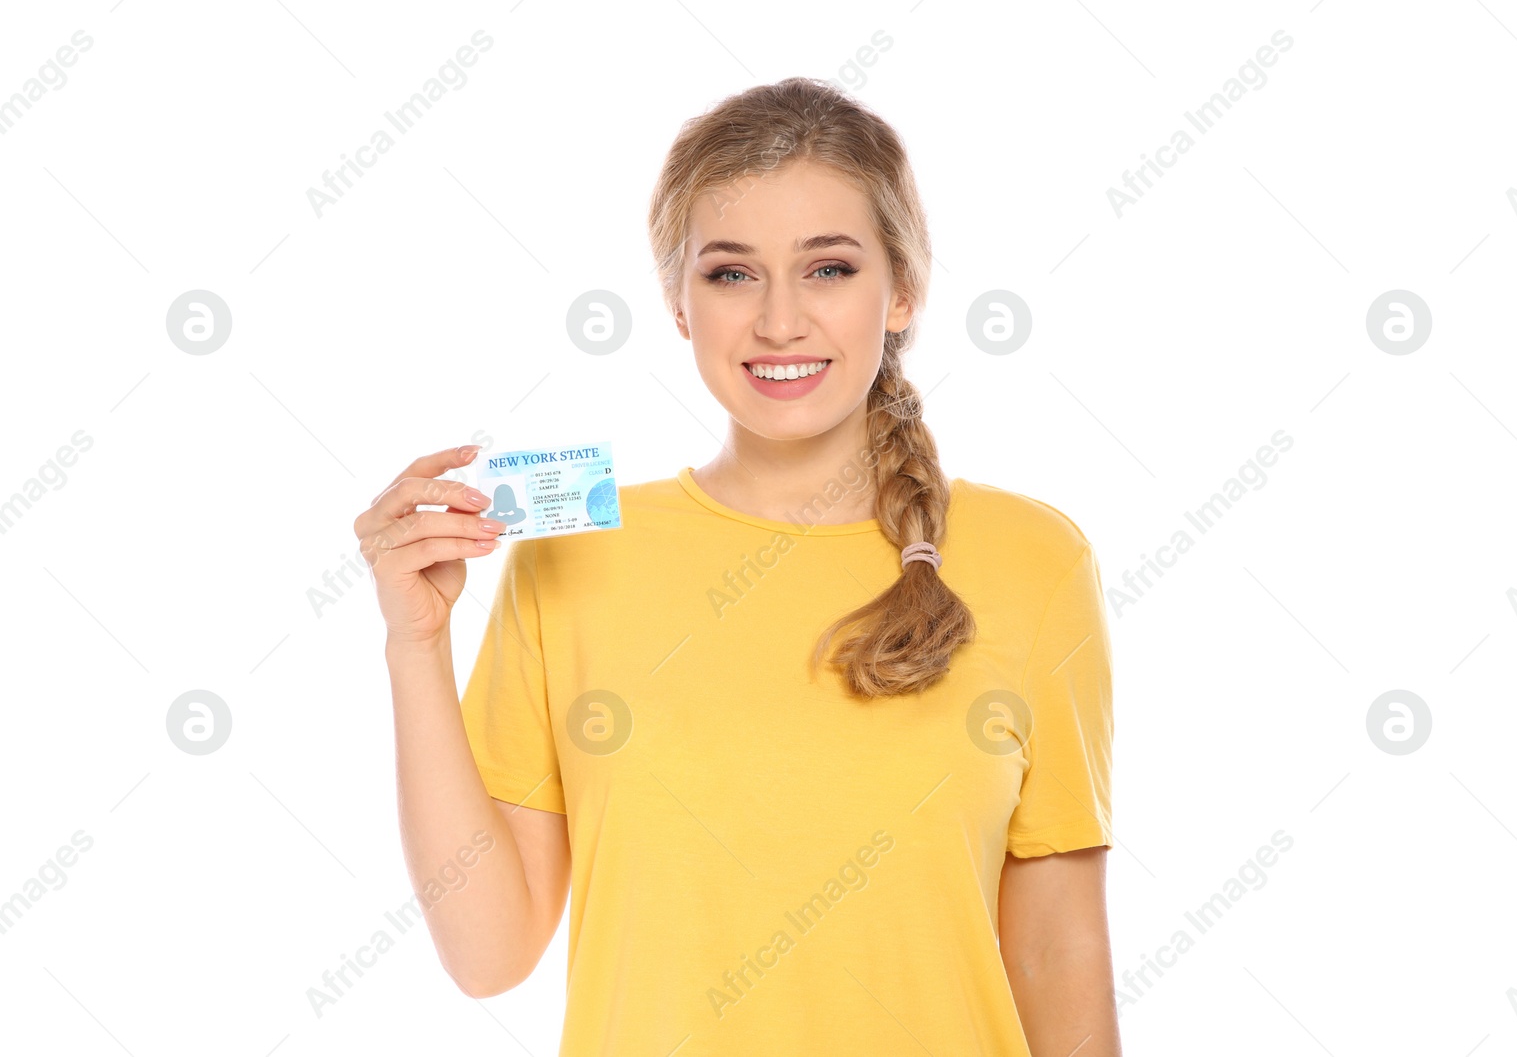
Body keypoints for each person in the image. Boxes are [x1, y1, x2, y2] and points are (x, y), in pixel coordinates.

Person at [354, 76, 1118, 1055]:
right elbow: (488, 951)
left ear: (903, 292)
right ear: (679, 303)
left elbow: (1060, 953)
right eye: (731, 273)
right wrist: (414, 642)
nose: (780, 321)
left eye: (829, 268)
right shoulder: (577, 560)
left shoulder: (1033, 560)